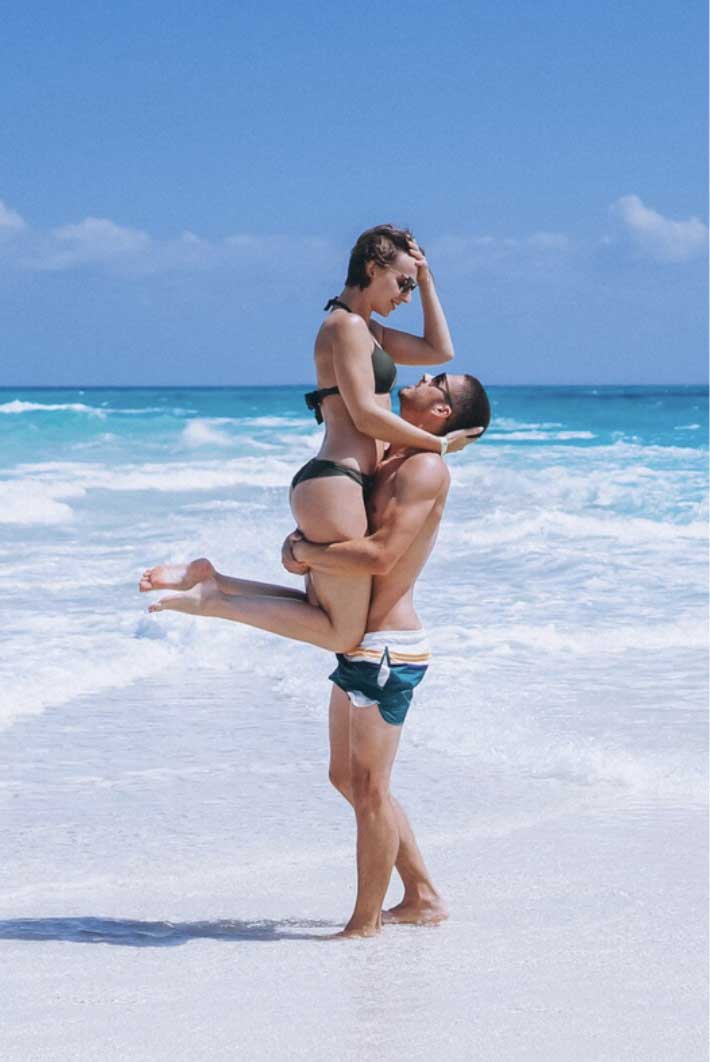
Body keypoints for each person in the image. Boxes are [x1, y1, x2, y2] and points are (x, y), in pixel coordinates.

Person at [140, 371, 491, 937]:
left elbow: (379, 556)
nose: (422, 377)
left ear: (442, 412)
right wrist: (305, 554)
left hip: (386, 651)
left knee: (372, 790)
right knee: (347, 779)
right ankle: (422, 894)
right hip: (359, 646)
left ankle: (364, 923)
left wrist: (306, 551)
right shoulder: (390, 457)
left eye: (437, 383)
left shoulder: (426, 468)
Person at [140, 226, 477, 657]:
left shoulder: (369, 331)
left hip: (338, 483)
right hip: (339, 481)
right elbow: (366, 416)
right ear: (373, 269)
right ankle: (215, 601)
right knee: (341, 633)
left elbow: (439, 350)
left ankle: (216, 581)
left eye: (413, 287)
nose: (406, 297)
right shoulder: (345, 327)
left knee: (323, 611)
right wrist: (440, 446)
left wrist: (427, 279)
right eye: (403, 283)